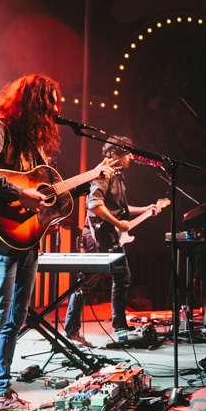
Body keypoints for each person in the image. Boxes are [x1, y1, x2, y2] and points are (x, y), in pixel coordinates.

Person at [0, 73, 108, 411]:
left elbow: (49, 195)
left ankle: (0, 393)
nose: (54, 112)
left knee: (14, 318)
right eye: (49, 105)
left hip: (27, 239)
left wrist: (89, 180)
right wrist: (19, 194)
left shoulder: (33, 148)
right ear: (31, 103)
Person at [63, 135, 161, 338]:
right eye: (127, 154)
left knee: (123, 279)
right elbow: (94, 205)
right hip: (97, 235)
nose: (131, 157)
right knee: (86, 283)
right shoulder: (104, 173)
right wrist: (118, 223)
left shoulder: (119, 176)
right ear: (115, 154)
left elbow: (120, 209)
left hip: (111, 236)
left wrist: (146, 209)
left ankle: (120, 327)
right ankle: (71, 331)